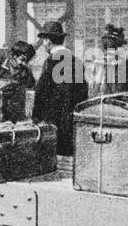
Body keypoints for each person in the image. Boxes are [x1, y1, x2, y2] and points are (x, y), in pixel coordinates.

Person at [32, 21, 88, 155]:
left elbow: (41, 91)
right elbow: (83, 91)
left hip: (53, 119)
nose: (43, 44)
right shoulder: (76, 61)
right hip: (72, 118)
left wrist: (36, 117)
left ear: (48, 41)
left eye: (44, 40)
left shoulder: (51, 61)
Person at [90, 24, 128, 97]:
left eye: (110, 44)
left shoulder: (123, 64)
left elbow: (125, 90)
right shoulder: (99, 64)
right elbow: (93, 91)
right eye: (105, 43)